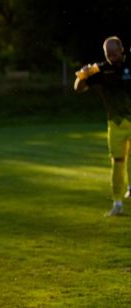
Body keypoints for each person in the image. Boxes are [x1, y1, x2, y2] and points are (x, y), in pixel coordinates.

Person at [75, 36, 131, 216]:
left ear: (122, 50)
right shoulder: (100, 70)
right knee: (117, 163)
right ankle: (117, 203)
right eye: (108, 55)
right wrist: (83, 75)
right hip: (115, 124)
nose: (112, 57)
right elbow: (78, 88)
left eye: (115, 54)